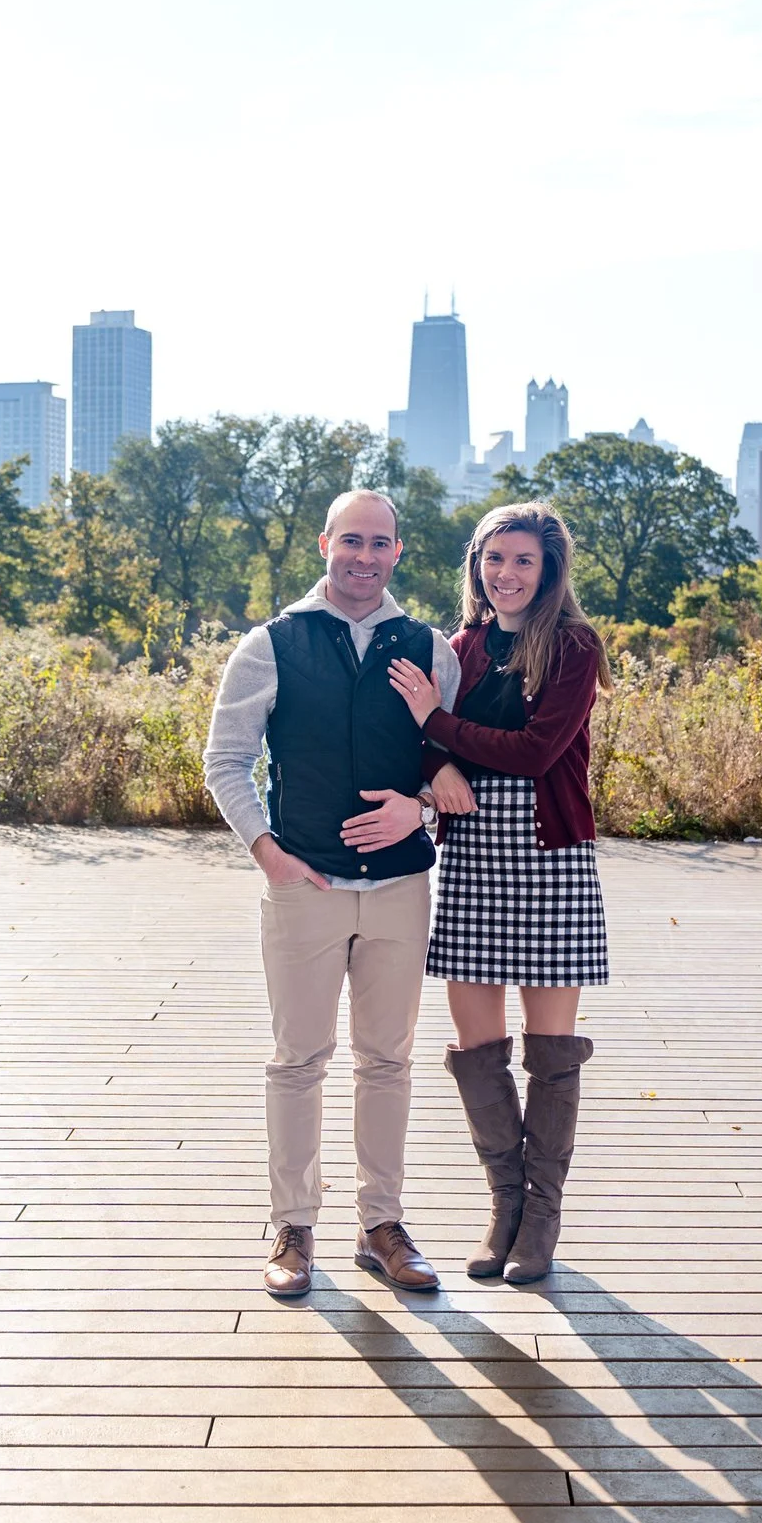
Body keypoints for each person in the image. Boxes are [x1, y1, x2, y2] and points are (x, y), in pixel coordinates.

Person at [201, 489, 471, 1299]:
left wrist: (416, 805)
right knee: (298, 1060)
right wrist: (269, 854)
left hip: (399, 888)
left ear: (398, 551)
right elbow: (226, 761)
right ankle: (293, 1225)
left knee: (387, 1060)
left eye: (379, 542)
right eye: (350, 540)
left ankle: (380, 1223)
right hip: (305, 887)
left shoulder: (430, 647)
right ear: (325, 543)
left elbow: (449, 763)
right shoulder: (272, 643)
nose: (364, 555)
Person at [388, 501, 608, 1284]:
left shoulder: (574, 645)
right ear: (476, 564)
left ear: (549, 570)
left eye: (523, 560)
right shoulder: (460, 646)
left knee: (551, 1051)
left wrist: (439, 726)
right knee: (477, 1048)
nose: (507, 574)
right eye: (494, 559)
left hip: (550, 857)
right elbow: (403, 735)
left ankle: (542, 1216)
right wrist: (432, 765)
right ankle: (504, 1206)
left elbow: (534, 751)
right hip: (475, 857)